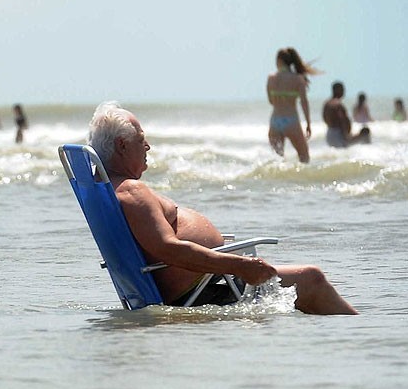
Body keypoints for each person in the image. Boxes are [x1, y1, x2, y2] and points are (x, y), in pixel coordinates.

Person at [86, 101, 357, 314]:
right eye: (140, 139)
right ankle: (360, 338)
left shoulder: (110, 191)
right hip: (202, 294)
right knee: (312, 279)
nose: (147, 146)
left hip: (204, 285)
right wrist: (240, 265)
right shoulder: (132, 192)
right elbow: (169, 249)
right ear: (122, 145)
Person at [266, 47, 317, 163]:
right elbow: (304, 102)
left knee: (277, 161)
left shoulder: (271, 78)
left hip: (275, 121)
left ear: (279, 61)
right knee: (304, 157)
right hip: (291, 120)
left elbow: (271, 101)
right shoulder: (298, 79)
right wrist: (308, 123)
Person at [323, 81, 370, 148]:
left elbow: (324, 117)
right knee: (365, 132)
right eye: (342, 89)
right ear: (338, 90)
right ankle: (369, 155)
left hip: (330, 133)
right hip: (339, 135)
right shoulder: (337, 104)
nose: (344, 91)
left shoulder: (326, 103)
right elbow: (342, 120)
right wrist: (346, 135)